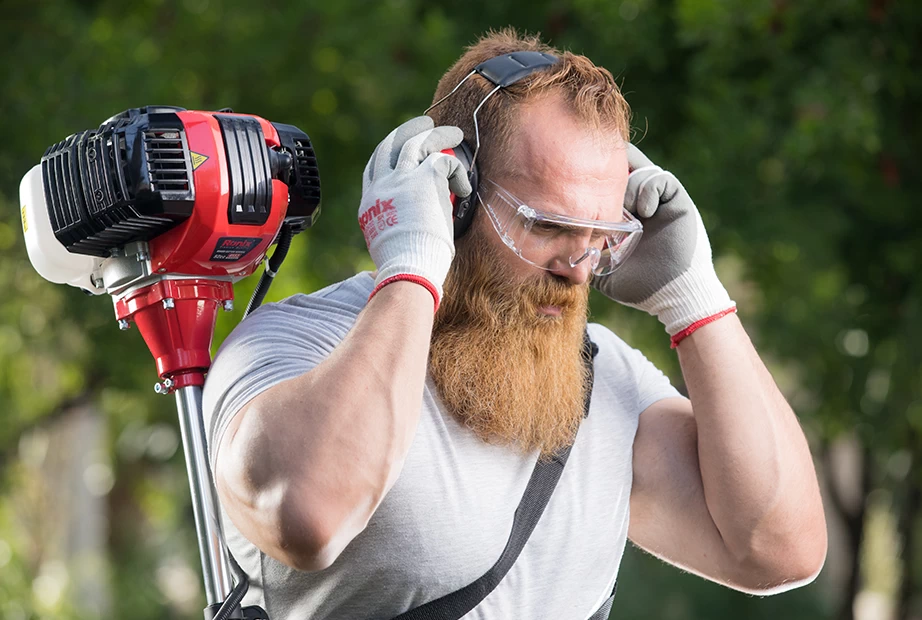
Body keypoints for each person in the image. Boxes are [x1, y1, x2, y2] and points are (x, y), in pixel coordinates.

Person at [202, 29, 827, 620]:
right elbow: (307, 516)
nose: (579, 271)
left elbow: (778, 550)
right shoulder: (293, 345)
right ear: (455, 192)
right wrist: (414, 266)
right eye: (548, 226)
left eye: (600, 237)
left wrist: (695, 299)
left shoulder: (602, 380)